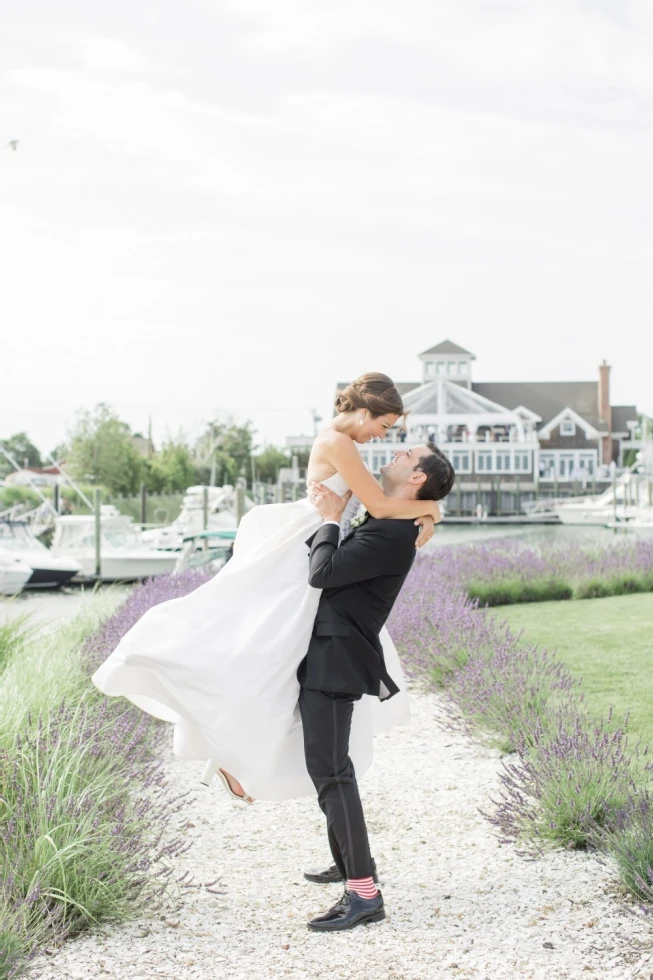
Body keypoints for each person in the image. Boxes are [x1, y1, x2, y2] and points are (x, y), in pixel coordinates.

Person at [92, 374, 442, 802]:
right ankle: (228, 753)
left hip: (319, 538)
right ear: (365, 412)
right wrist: (432, 509)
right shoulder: (338, 441)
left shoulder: (345, 443)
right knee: (268, 652)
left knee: (279, 659)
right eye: (384, 426)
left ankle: (233, 756)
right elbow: (382, 506)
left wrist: (420, 515)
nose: (381, 436)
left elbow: (382, 509)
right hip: (309, 544)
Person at [300, 446, 455, 931]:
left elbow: (322, 574)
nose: (395, 452)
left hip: (336, 657)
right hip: (332, 652)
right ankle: (350, 865)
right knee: (330, 769)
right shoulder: (396, 520)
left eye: (407, 454)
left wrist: (330, 519)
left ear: (417, 477)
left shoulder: (392, 534)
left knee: (331, 772)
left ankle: (364, 893)